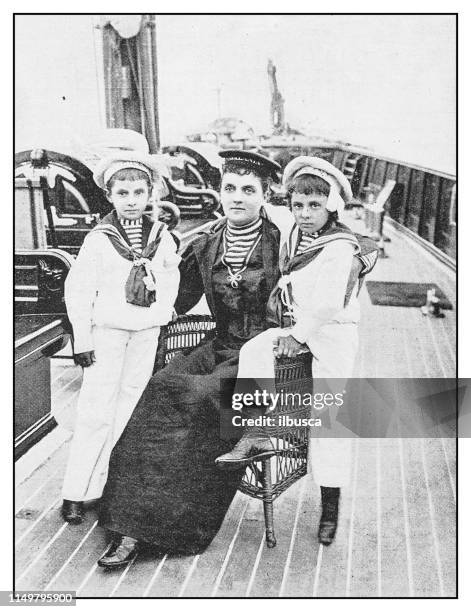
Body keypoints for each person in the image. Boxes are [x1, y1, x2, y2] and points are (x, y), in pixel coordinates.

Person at [96, 150, 293, 568]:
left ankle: (164, 527)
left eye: (248, 190)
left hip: (262, 354)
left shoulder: (283, 243)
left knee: (200, 397)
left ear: (266, 195)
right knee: (164, 385)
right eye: (229, 188)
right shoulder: (204, 242)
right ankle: (131, 521)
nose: (236, 198)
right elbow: (179, 300)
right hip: (219, 343)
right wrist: (143, 285)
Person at [216, 156, 378, 546]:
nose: (305, 214)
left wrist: (298, 336)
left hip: (333, 333)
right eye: (298, 206)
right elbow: (260, 204)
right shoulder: (294, 229)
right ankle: (256, 430)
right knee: (256, 349)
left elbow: (328, 304)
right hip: (298, 324)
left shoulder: (338, 246)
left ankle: (330, 506)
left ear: (332, 206)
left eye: (315, 206)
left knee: (330, 418)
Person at [61, 151, 180, 524]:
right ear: (110, 196)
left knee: (130, 409)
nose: (132, 200)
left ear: (150, 195)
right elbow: (78, 290)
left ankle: (112, 487)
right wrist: (82, 339)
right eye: (123, 193)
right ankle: (77, 491)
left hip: (144, 332)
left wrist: (159, 316)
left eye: (139, 192)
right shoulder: (99, 240)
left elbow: (170, 281)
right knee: (96, 410)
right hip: (107, 333)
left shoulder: (160, 238)